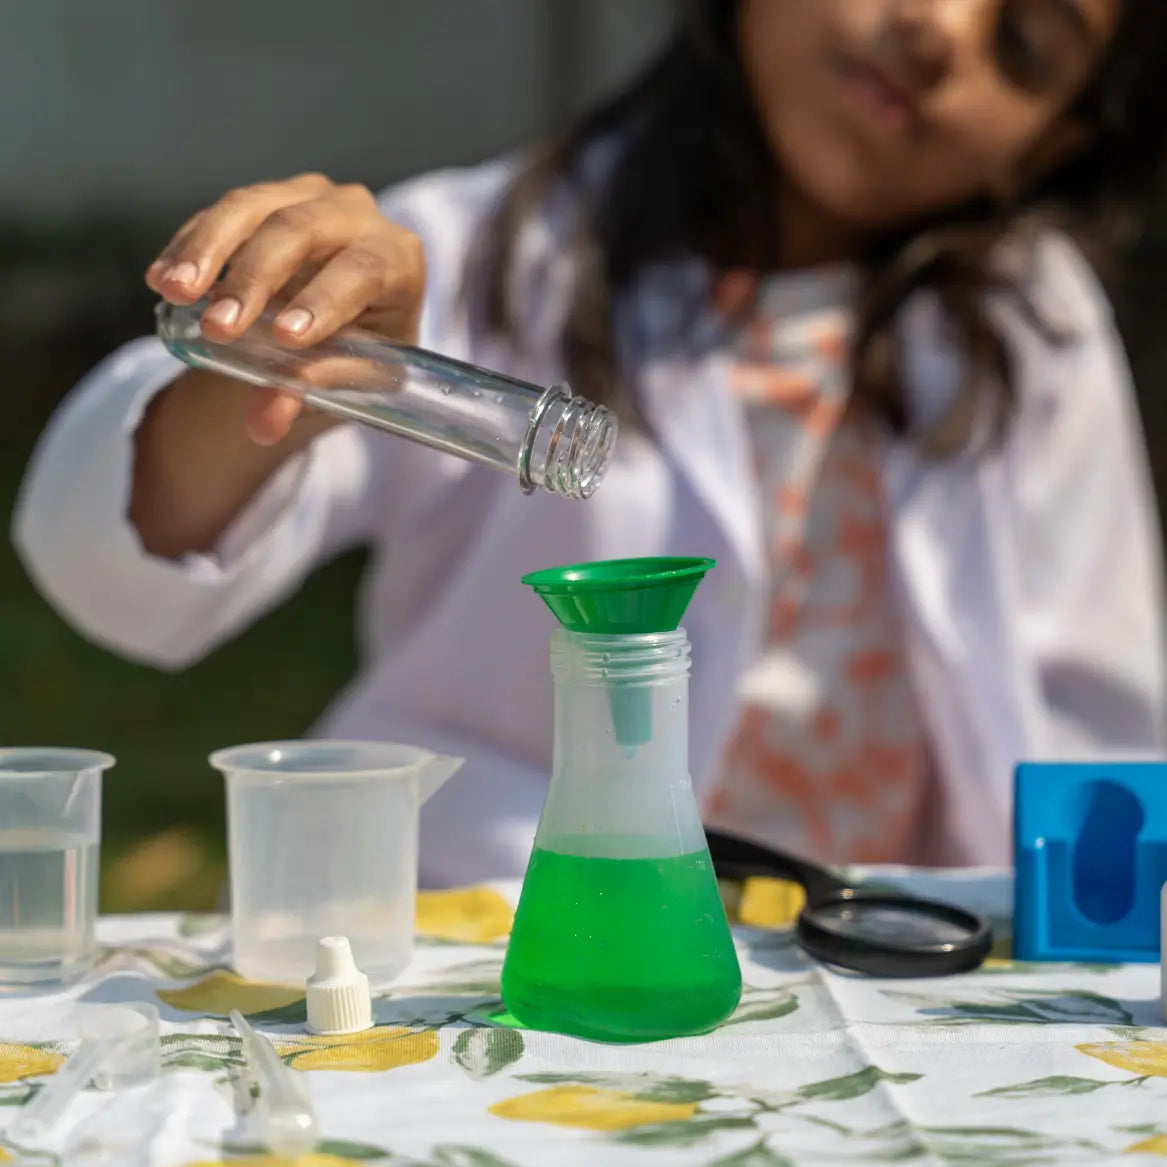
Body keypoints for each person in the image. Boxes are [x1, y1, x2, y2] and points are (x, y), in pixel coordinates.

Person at [13, 0, 1167, 886]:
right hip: (496, 935)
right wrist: (284, 376)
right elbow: (104, 563)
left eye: (1026, 43)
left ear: (1053, 143)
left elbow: (1101, 725)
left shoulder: (1031, 333)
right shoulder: (478, 259)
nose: (937, 30)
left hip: (866, 958)